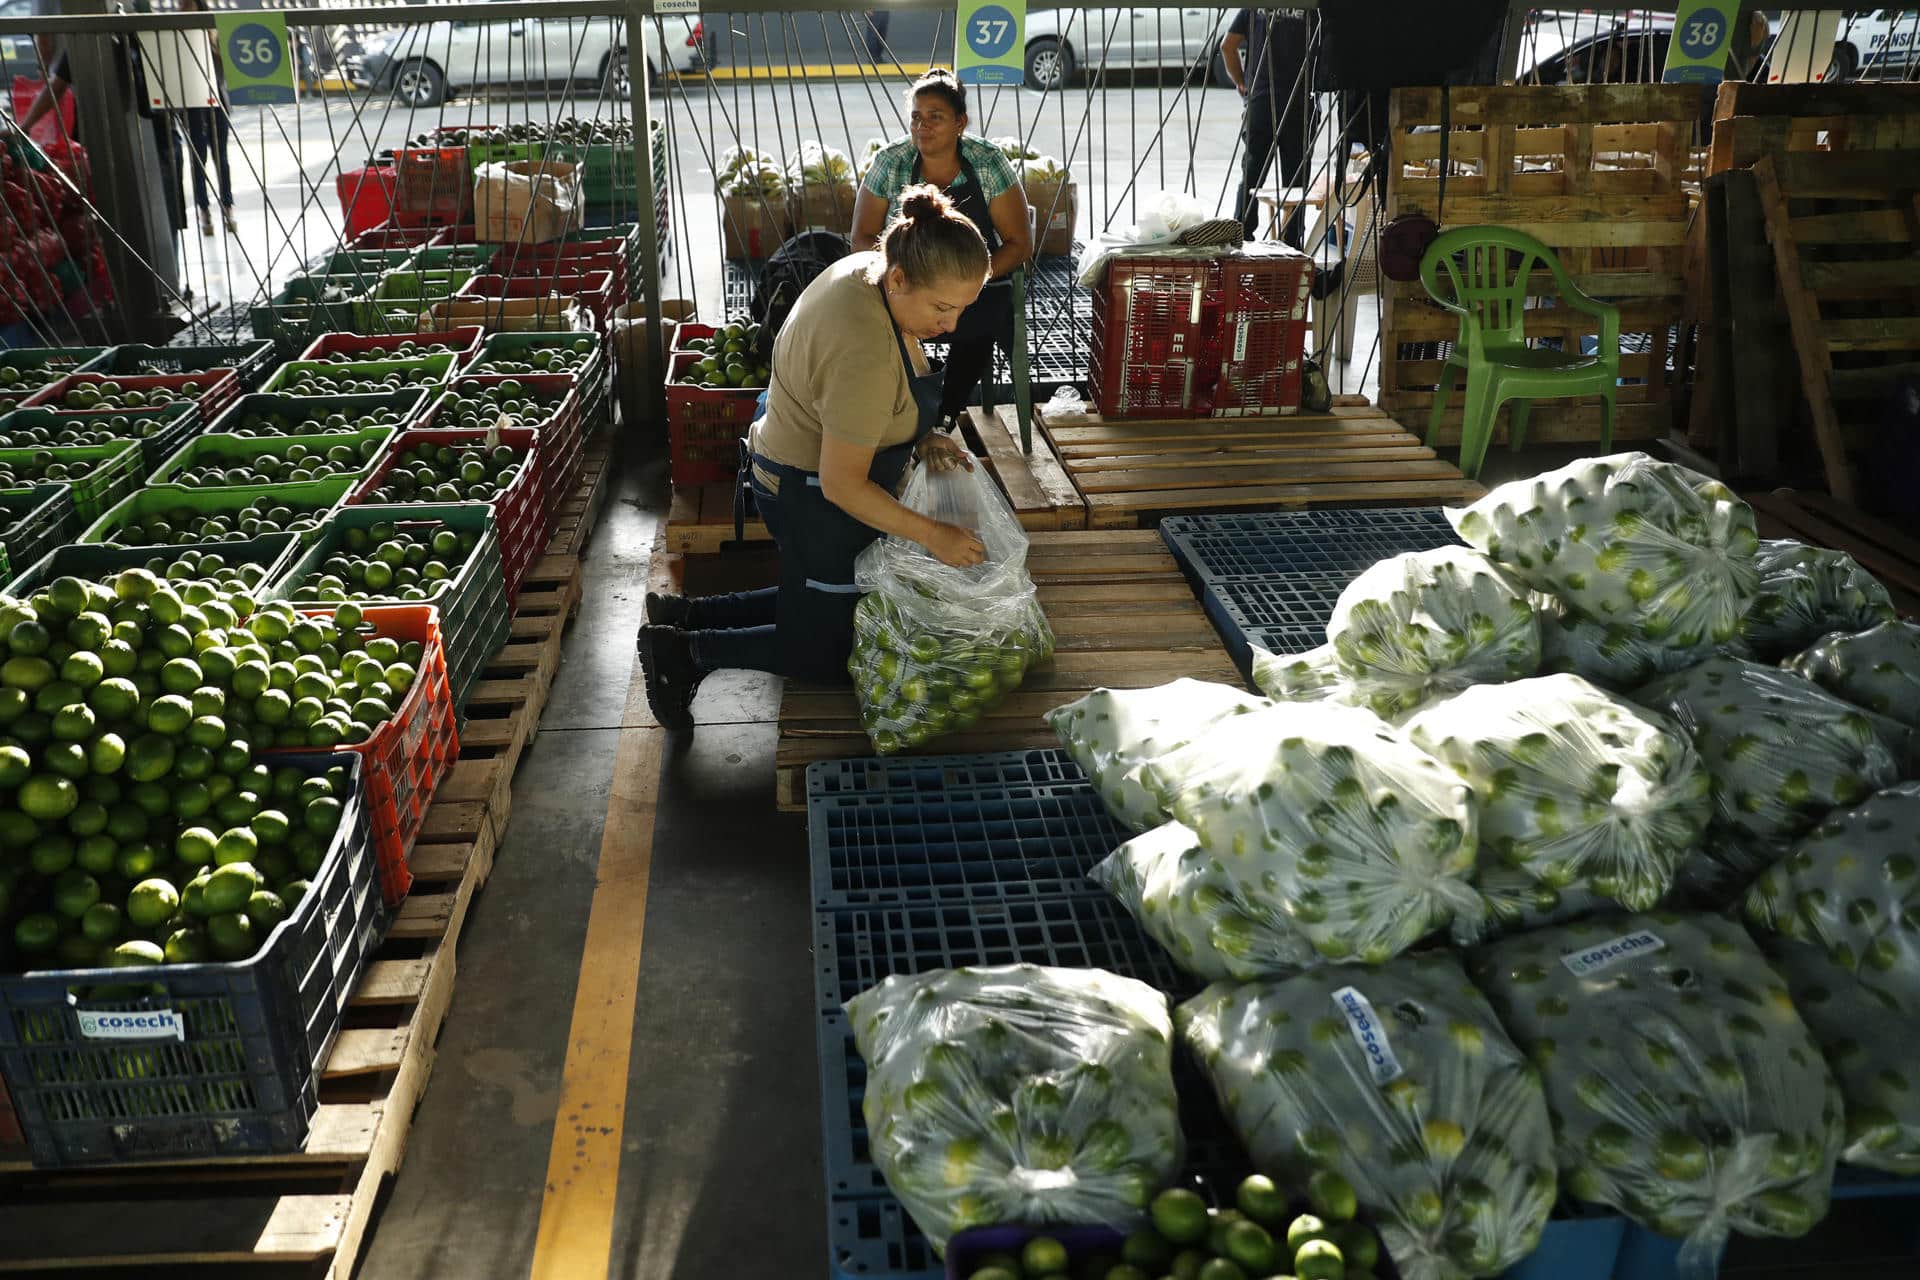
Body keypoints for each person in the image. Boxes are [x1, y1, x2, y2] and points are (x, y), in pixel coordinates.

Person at [637, 185, 991, 731]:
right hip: (809, 493)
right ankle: (685, 655)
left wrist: (918, 436)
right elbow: (843, 486)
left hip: (791, 460)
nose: (951, 325)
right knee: (831, 647)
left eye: (962, 309)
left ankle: (685, 615)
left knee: (822, 597)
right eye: (942, 308)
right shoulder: (864, 350)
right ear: (899, 279)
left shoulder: (871, 270)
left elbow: (878, 398)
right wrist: (931, 534)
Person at [851, 68, 1031, 427]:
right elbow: (861, 237)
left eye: (936, 117)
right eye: (916, 117)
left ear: (960, 122)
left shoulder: (987, 162)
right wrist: (894, 282)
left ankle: (941, 415)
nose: (923, 126)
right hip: (905, 283)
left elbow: (1020, 244)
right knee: (881, 327)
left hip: (975, 285)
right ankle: (895, 417)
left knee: (981, 319)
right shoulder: (891, 161)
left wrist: (969, 282)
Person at [1222, 9, 1315, 245]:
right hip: (1301, 102)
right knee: (1296, 180)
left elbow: (1227, 46)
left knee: (1252, 174)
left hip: (1261, 101)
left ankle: (1240, 237)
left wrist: (1242, 83)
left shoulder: (1255, 7)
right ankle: (1292, 243)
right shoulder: (1313, 7)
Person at [178, 0, 235, 236]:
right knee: (197, 158)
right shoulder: (177, 36)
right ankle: (204, 210)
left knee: (220, 157)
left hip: (216, 103)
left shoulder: (214, 34)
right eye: (180, 5)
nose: (182, 8)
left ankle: (228, 207)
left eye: (186, 4)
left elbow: (225, 71)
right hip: (192, 105)